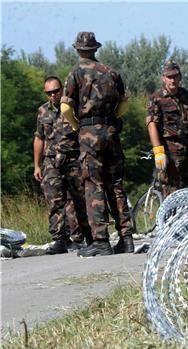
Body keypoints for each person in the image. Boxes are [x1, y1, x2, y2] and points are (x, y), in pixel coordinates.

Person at [60, 32, 134, 257]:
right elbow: (124, 104)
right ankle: (126, 238)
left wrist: (76, 127)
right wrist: (113, 119)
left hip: (89, 132)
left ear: (78, 49)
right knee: (116, 184)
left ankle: (101, 240)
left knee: (94, 184)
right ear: (95, 49)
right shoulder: (111, 72)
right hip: (111, 132)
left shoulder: (75, 73)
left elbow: (65, 108)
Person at [33, 76, 91, 254]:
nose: (53, 95)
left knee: (81, 199)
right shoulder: (43, 111)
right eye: (49, 93)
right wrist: (36, 165)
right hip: (51, 161)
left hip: (73, 158)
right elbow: (39, 138)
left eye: (56, 91)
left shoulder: (73, 107)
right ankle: (60, 240)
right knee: (55, 201)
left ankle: (87, 237)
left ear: (62, 90)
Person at [146, 60, 188, 198]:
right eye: (169, 77)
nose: (172, 80)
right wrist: (158, 150)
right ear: (163, 78)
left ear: (180, 76)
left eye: (175, 76)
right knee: (171, 191)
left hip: (187, 147)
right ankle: (169, 220)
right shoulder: (156, 98)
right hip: (169, 149)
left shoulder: (184, 94)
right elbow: (151, 124)